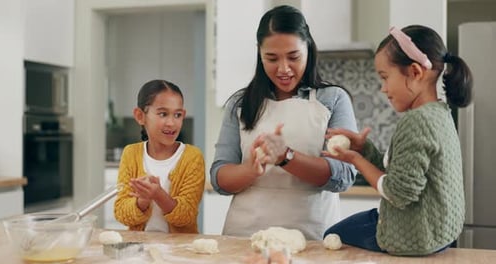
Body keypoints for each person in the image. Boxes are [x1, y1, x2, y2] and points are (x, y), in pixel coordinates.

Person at [210, 5, 358, 240]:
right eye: (271, 58)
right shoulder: (240, 104)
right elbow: (220, 178)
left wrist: (286, 157)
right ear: (259, 54)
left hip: (312, 239)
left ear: (308, 48)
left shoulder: (333, 100)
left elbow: (343, 175)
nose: (283, 69)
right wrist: (249, 170)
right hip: (244, 238)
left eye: (293, 57)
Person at [322, 25, 473, 256]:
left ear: (415, 72)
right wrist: (364, 150)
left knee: (331, 236)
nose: (383, 89)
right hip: (438, 235)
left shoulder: (417, 121)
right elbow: (403, 173)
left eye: (384, 77)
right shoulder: (440, 113)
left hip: (414, 237)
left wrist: (354, 159)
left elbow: (398, 193)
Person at [114, 79, 205, 233]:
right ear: (140, 116)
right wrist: (143, 200)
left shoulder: (192, 157)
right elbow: (121, 213)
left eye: (177, 115)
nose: (171, 123)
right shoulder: (131, 154)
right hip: (139, 249)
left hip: (180, 252)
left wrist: (158, 195)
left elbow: (186, 216)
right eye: (163, 114)